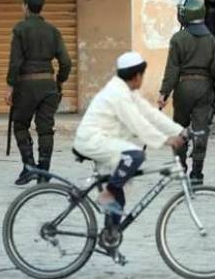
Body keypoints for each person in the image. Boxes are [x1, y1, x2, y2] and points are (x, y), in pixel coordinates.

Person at [74, 52, 186, 223]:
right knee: (135, 155)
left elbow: (150, 114)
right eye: (143, 75)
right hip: (94, 141)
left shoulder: (126, 91)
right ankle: (107, 194)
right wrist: (166, 140)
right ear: (137, 76)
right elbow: (139, 124)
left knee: (118, 201)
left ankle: (110, 241)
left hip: (106, 142)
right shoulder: (118, 94)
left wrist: (180, 131)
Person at [6, 0, 72, 186]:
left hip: (26, 85)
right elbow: (66, 61)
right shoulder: (53, 31)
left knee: (20, 125)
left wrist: (9, 86)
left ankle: (29, 167)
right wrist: (59, 81)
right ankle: (43, 172)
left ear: (26, 6)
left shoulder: (20, 29)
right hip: (48, 85)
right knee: (45, 129)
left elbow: (15, 62)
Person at [158, 0, 215, 185]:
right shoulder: (211, 39)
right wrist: (214, 93)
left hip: (183, 87)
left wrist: (164, 92)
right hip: (204, 87)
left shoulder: (178, 39)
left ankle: (181, 166)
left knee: (179, 128)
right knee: (201, 129)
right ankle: (197, 173)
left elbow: (172, 69)